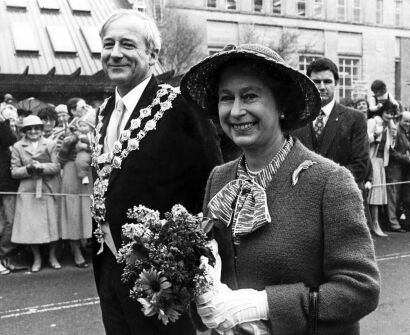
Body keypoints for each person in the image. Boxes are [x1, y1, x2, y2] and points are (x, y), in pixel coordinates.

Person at [180, 43, 380, 334]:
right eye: (226, 98)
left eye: (250, 96)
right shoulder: (219, 178)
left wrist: (265, 305)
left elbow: (360, 291)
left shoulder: (331, 182)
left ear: (282, 105)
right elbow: (211, 267)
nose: (236, 111)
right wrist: (202, 300)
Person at [91, 9, 222, 335]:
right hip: (108, 267)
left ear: (152, 54)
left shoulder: (181, 107)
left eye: (127, 44)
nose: (115, 53)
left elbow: (212, 188)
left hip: (161, 275)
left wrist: (187, 266)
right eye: (109, 44)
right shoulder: (105, 111)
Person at [292, 57, 370, 189]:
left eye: (327, 81)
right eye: (316, 81)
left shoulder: (356, 119)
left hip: (341, 200)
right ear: (308, 83)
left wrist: (324, 186)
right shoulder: (295, 119)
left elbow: (360, 165)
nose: (322, 87)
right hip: (304, 202)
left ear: (336, 83)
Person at [10, 115, 61, 272]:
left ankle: (52, 256)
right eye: (29, 129)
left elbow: (57, 166)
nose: (33, 131)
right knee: (31, 227)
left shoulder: (51, 144)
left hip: (47, 188)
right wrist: (29, 169)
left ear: (41, 130)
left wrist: (42, 167)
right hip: (28, 190)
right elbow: (14, 171)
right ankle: (37, 258)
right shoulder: (18, 147)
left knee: (51, 225)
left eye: (37, 128)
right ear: (24, 131)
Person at [367, 106, 397, 237]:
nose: (390, 115)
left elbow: (391, 147)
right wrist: (376, 134)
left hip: (380, 162)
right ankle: (373, 224)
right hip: (371, 160)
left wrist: (392, 129)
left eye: (392, 114)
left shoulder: (388, 126)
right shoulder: (373, 121)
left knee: (377, 194)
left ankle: (375, 223)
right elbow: (366, 140)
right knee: (374, 194)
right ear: (382, 112)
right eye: (388, 112)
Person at [0, 105, 19, 275]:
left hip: (7, 183)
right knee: (7, 221)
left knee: (9, 221)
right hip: (4, 183)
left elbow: (10, 140)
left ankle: (4, 255)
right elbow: (9, 139)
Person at [385, 111, 410, 232]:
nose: (408, 123)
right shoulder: (396, 131)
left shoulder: (405, 132)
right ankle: (393, 224)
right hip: (394, 170)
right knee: (392, 198)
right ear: (399, 119)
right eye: (406, 121)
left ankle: (397, 221)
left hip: (401, 170)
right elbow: (391, 150)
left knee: (397, 197)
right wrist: (406, 158)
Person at [74, 112, 95, 185]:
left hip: (92, 152)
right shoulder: (78, 134)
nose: (82, 128)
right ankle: (84, 176)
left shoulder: (94, 135)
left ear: (91, 127)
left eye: (84, 126)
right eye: (80, 126)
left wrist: (86, 146)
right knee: (80, 160)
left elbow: (95, 144)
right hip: (83, 153)